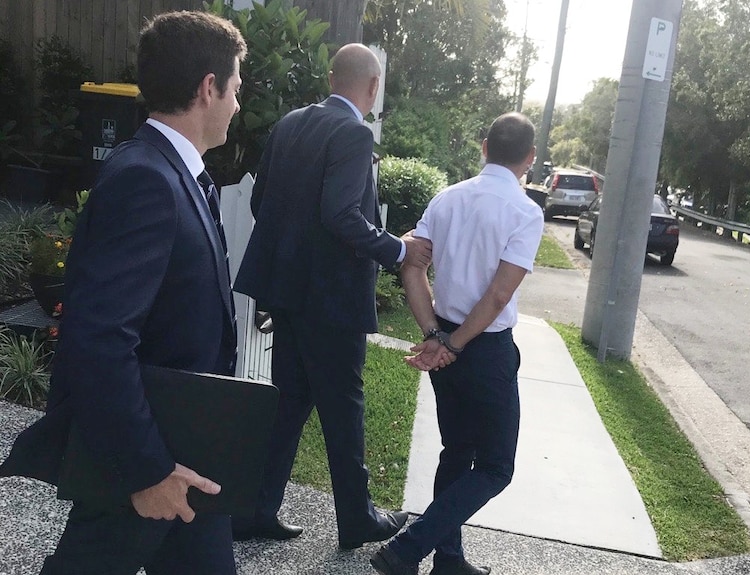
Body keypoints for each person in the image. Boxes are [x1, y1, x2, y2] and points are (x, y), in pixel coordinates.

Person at [0, 11, 246, 574]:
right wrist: (145, 471)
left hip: (185, 454)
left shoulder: (175, 174)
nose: (238, 102)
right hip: (148, 457)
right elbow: (98, 339)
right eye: (235, 88)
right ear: (209, 88)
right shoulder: (146, 179)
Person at [232, 43, 430, 548]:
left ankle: (256, 509)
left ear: (330, 77)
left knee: (289, 403)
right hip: (332, 303)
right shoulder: (353, 133)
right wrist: (396, 249)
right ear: (373, 87)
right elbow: (341, 215)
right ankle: (357, 519)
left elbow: (261, 200)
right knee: (343, 409)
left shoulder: (291, 123)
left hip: (288, 294)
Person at [369, 112, 544, 575]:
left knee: (457, 451)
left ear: (484, 147)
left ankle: (448, 561)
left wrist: (435, 335)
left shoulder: (446, 199)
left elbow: (411, 267)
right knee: (494, 467)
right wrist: (456, 343)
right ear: (529, 158)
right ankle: (407, 549)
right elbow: (500, 293)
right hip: (482, 348)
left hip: (447, 337)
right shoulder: (525, 211)